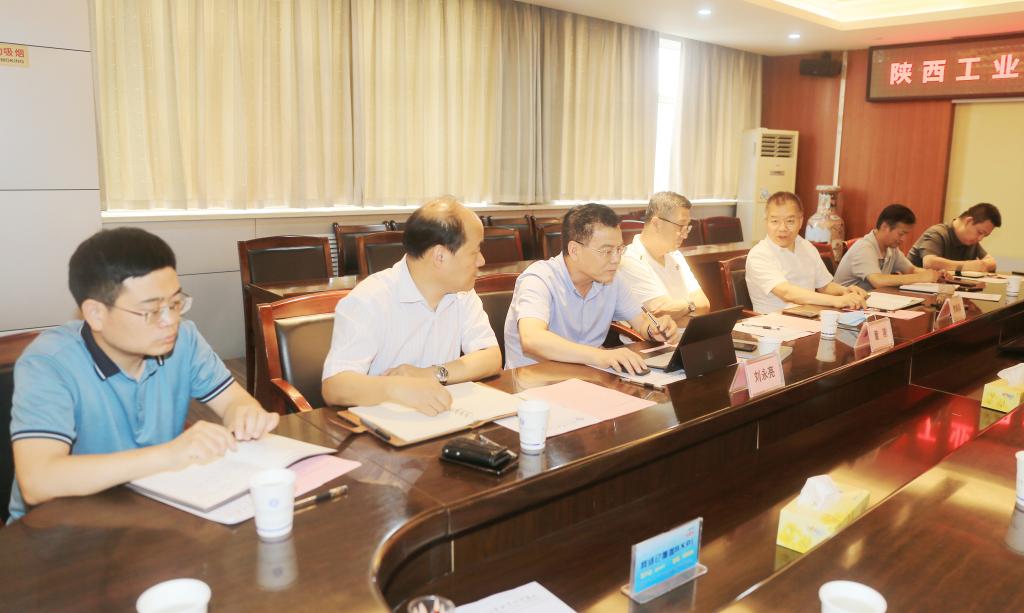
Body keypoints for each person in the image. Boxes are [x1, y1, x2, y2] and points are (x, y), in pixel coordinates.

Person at [9, 228, 279, 521]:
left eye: (175, 304)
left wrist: (245, 414)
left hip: (151, 511)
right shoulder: (49, 364)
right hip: (60, 530)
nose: (170, 321)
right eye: (151, 311)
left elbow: (233, 401)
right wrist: (169, 455)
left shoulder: (183, 339)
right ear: (96, 314)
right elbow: (38, 481)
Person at [321, 196, 501, 416]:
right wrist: (397, 388)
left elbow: (491, 357)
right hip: (387, 423)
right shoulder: (370, 298)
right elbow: (334, 386)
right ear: (440, 256)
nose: (481, 261)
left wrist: (430, 374)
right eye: (474, 251)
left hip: (444, 415)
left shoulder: (461, 292)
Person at [503, 203, 677, 373]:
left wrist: (655, 329)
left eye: (619, 249)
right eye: (607, 251)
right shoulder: (539, 279)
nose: (616, 259)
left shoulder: (613, 279)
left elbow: (642, 322)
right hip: (535, 381)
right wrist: (600, 356)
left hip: (588, 376)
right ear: (574, 250)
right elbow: (532, 339)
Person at [746, 191, 867, 314]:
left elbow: (824, 286)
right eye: (775, 221)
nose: (782, 228)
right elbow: (787, 293)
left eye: (790, 221)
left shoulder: (806, 246)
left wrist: (845, 291)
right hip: (772, 322)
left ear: (800, 221)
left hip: (808, 316)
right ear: (766, 221)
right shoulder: (759, 254)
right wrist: (837, 300)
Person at [617, 192, 711, 321]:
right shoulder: (630, 259)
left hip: (689, 332)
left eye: (687, 227)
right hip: (658, 335)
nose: (685, 235)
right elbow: (662, 317)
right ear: (657, 223)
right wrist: (692, 307)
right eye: (681, 226)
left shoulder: (675, 255)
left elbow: (705, 304)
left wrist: (686, 307)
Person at [834, 204, 944, 291]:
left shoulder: (891, 248)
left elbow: (911, 270)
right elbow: (878, 281)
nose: (903, 239)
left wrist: (936, 275)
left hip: (866, 303)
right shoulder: (864, 248)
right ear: (885, 227)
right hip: (844, 306)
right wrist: (921, 277)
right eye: (901, 234)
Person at [907, 202, 1000, 273]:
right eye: (980, 232)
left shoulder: (971, 241)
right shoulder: (937, 233)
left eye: (985, 235)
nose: (980, 239)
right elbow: (930, 263)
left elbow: (991, 262)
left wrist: (982, 265)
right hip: (912, 289)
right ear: (969, 221)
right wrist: (968, 266)